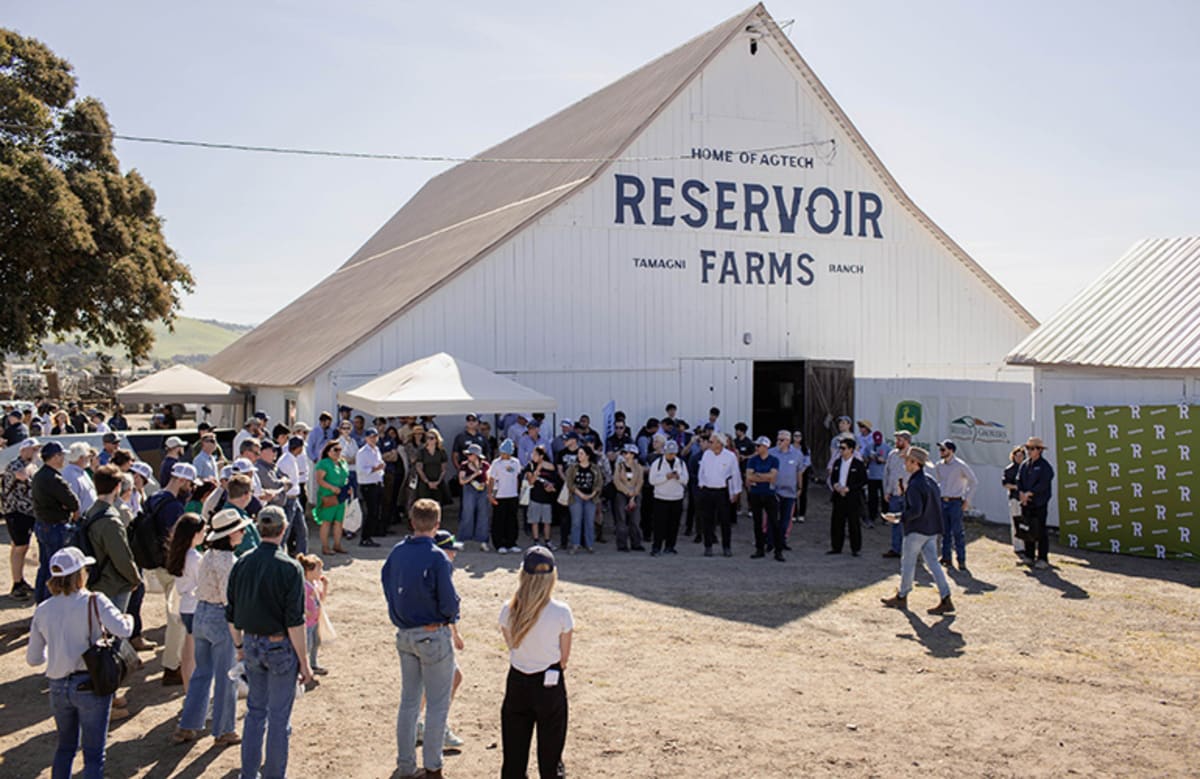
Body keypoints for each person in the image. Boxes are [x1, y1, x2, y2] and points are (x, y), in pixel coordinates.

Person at [27, 547, 134, 779]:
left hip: (57, 686)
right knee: (94, 754)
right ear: (80, 574)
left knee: (65, 748)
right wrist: (130, 618)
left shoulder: (43, 610)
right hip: (90, 683)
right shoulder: (95, 601)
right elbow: (123, 629)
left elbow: (34, 659)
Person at [227, 505, 312, 778]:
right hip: (279, 646)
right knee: (278, 718)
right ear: (284, 529)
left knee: (255, 713)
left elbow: (231, 612)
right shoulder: (290, 567)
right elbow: (295, 622)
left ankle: (248, 774)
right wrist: (305, 662)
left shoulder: (242, 562)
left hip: (251, 643)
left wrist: (239, 646)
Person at [382, 499, 460, 779]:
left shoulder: (397, 552)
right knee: (437, 705)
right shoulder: (437, 556)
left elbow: (386, 583)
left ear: (412, 522)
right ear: (437, 525)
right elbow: (449, 602)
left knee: (409, 702)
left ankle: (405, 765)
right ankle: (432, 767)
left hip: (405, 633)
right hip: (432, 633)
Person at [172, 508, 252, 745]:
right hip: (219, 616)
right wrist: (239, 635)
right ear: (230, 535)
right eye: (239, 530)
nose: (243, 532)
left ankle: (187, 725)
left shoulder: (206, 555)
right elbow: (230, 599)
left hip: (201, 613)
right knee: (226, 676)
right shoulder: (228, 561)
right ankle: (224, 730)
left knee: (202, 673)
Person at [500, 546, 573, 779]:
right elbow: (564, 657)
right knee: (551, 755)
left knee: (514, 754)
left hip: (519, 678)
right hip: (548, 681)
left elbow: (512, 645)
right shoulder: (561, 612)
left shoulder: (509, 609)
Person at [880, 447, 955, 615]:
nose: (905, 463)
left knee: (908, 563)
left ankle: (902, 595)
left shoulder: (915, 484)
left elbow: (915, 511)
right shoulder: (929, 481)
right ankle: (946, 597)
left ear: (915, 463)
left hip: (916, 530)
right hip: (930, 529)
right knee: (933, 564)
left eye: (907, 460)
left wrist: (898, 517)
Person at [142, 462, 198, 684]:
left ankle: (173, 664)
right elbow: (177, 540)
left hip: (156, 563)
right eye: (190, 483)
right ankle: (172, 666)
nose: (191, 488)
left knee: (173, 615)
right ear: (182, 481)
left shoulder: (154, 498)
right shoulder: (173, 507)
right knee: (177, 618)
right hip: (171, 566)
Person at [417, 530, 466, 749]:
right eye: (451, 550)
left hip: (428, 632)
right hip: (434, 634)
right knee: (451, 678)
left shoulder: (431, 568)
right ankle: (437, 728)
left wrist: (455, 633)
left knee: (426, 681)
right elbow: (447, 605)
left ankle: (419, 723)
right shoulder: (440, 570)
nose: (454, 555)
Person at [32, 441, 81, 603]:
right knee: (56, 567)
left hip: (42, 524)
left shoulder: (39, 475)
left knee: (45, 565)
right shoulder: (54, 478)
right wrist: (67, 506)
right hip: (55, 525)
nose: (63, 459)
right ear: (54, 457)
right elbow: (73, 502)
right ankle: (50, 601)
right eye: (61, 455)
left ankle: (41, 600)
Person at [165, 513, 206, 696]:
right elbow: (203, 583)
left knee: (188, 653)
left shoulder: (179, 553)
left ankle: (189, 691)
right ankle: (194, 694)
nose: (204, 534)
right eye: (202, 531)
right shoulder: (194, 558)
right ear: (194, 533)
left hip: (185, 605)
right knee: (196, 656)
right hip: (196, 606)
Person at [2, 437, 39, 599]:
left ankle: (20, 580)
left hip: (28, 512)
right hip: (16, 511)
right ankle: (17, 583)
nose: (36, 452)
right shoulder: (16, 466)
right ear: (23, 450)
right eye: (33, 449)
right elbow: (25, 479)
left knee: (22, 546)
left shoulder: (32, 465)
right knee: (19, 546)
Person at [695, 434, 742, 557]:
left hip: (722, 492)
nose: (709, 444)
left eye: (712, 442)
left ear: (719, 443)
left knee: (725, 521)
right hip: (707, 490)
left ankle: (726, 547)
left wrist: (736, 491)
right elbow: (702, 471)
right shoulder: (707, 455)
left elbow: (735, 474)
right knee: (707, 520)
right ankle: (708, 546)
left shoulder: (730, 456)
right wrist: (701, 484)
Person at [935, 440, 979, 571]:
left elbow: (974, 481)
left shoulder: (960, 465)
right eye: (941, 450)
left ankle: (961, 560)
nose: (941, 452)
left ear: (951, 451)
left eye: (943, 450)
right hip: (943, 500)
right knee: (944, 532)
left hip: (955, 501)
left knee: (958, 532)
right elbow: (939, 482)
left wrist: (967, 500)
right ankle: (946, 557)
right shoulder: (939, 466)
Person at [1017, 436, 1055, 569]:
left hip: (1039, 503)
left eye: (1032, 448)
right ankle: (1029, 556)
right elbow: (1019, 481)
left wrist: (1029, 493)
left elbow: (1043, 484)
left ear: (1039, 450)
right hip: (1026, 503)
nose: (1029, 451)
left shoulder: (1045, 467)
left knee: (1041, 530)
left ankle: (1043, 558)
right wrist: (1021, 494)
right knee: (1027, 528)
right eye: (1028, 448)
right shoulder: (1024, 465)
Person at [745, 436, 784, 561]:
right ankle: (759, 548)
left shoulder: (774, 460)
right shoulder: (752, 460)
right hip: (756, 494)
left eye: (758, 446)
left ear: (766, 447)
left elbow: (773, 477)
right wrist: (763, 477)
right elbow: (749, 477)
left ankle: (778, 550)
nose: (756, 448)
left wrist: (758, 476)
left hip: (769, 494)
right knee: (757, 522)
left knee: (774, 522)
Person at [647, 440, 688, 556]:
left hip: (676, 498)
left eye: (673, 453)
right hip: (661, 498)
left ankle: (670, 546)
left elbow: (686, 480)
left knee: (674, 524)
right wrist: (666, 477)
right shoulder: (657, 463)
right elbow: (652, 480)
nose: (671, 455)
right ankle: (656, 547)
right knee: (659, 524)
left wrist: (678, 477)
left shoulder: (681, 464)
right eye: (669, 453)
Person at [828, 436, 867, 556]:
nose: (841, 450)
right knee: (836, 522)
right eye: (840, 448)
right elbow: (833, 476)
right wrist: (835, 485)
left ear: (851, 450)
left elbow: (863, 481)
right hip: (839, 496)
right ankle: (836, 547)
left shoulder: (858, 464)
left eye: (843, 448)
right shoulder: (838, 462)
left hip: (852, 497)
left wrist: (849, 488)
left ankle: (855, 548)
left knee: (853, 523)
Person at [881, 430, 914, 559]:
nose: (897, 442)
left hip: (908, 496)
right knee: (895, 522)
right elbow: (887, 474)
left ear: (906, 441)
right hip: (894, 494)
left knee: (909, 524)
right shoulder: (892, 455)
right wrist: (886, 491)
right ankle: (896, 549)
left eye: (899, 440)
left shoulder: (913, 455)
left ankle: (909, 551)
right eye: (896, 440)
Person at [564, 445, 604, 554]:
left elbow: (599, 483)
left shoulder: (595, 468)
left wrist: (592, 494)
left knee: (589, 522)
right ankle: (575, 544)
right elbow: (570, 483)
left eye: (581, 453)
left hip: (592, 497)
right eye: (578, 453)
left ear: (587, 455)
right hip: (576, 496)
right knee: (576, 522)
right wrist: (580, 494)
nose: (579, 456)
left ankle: (589, 544)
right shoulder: (573, 467)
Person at [314, 440, 350, 555]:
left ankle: (337, 545)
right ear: (328, 451)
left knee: (339, 521)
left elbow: (346, 477)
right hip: (328, 495)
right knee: (327, 521)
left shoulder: (342, 462)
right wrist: (331, 488)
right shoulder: (324, 463)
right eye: (335, 450)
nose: (338, 452)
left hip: (341, 495)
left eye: (339, 449)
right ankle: (325, 547)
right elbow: (319, 480)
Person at [768, 430, 802, 550]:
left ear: (788, 441)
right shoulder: (771, 453)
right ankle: (770, 541)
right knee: (772, 517)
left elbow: (799, 471)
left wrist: (800, 487)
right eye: (778, 439)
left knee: (786, 518)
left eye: (782, 440)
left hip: (790, 491)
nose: (779, 442)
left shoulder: (797, 454)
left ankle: (782, 541)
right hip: (773, 491)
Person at [488, 439, 523, 554]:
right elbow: (491, 479)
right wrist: (490, 494)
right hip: (500, 495)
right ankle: (499, 544)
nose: (502, 454)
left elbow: (517, 478)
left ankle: (511, 543)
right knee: (499, 520)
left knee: (512, 520)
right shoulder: (496, 463)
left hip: (512, 495)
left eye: (505, 452)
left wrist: (518, 492)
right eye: (501, 452)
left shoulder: (516, 462)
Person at [298, 554, 329, 675]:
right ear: (308, 571)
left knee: (316, 642)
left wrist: (325, 586)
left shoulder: (314, 585)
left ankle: (313, 663)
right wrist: (306, 611)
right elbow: (298, 601)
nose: (320, 572)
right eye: (318, 569)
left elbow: (321, 598)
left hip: (315, 620)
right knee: (308, 644)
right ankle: (304, 666)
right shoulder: (303, 586)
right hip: (307, 621)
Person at [522, 446, 559, 549]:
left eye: (535, 454)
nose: (532, 456)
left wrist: (551, 486)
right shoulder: (530, 465)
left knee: (547, 521)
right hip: (535, 497)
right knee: (535, 521)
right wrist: (537, 469)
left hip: (547, 498)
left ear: (541, 456)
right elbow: (531, 481)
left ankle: (548, 540)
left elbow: (555, 479)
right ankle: (536, 540)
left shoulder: (550, 466)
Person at [610, 444, 645, 552]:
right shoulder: (619, 466)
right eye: (624, 453)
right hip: (621, 494)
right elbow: (616, 481)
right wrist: (626, 491)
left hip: (635, 495)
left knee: (635, 520)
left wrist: (633, 495)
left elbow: (640, 482)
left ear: (633, 455)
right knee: (621, 520)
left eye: (628, 453)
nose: (626, 455)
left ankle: (636, 543)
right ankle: (622, 544)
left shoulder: (638, 467)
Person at [457, 443, 492, 551]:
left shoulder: (486, 465)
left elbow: (490, 478)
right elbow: (461, 481)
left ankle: (483, 540)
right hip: (469, 489)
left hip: (483, 490)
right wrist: (474, 475)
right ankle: (461, 540)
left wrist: (486, 485)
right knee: (467, 513)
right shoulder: (464, 465)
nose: (468, 456)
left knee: (483, 514)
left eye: (470, 454)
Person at [277, 436, 308, 555]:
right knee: (286, 531)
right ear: (299, 448)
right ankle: (278, 554)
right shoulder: (286, 461)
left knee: (302, 529)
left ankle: (302, 555)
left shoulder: (290, 459)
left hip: (295, 498)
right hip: (288, 499)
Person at [356, 427, 385, 547]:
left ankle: (371, 534)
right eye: (371, 437)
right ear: (366, 438)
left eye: (375, 436)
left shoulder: (377, 450)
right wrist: (375, 469)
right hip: (368, 485)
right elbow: (361, 470)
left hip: (377, 482)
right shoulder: (362, 452)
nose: (373, 439)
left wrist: (381, 471)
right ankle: (365, 537)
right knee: (370, 511)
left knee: (376, 511)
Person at [863, 426, 889, 527]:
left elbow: (890, 462)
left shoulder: (886, 447)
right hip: (872, 476)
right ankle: (872, 516)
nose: (878, 442)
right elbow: (864, 460)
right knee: (872, 498)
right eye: (876, 440)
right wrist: (869, 458)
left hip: (883, 476)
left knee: (884, 498)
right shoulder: (869, 447)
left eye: (879, 440)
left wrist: (883, 461)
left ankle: (885, 516)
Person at [1002, 445, 1026, 554]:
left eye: (1021, 456)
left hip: (1026, 499)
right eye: (1017, 456)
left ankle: (1027, 545)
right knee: (1015, 522)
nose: (1019, 458)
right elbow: (1005, 484)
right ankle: (1018, 546)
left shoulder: (1027, 468)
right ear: (1013, 456)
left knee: (1026, 522)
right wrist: (1016, 487)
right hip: (1015, 498)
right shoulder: (1010, 469)